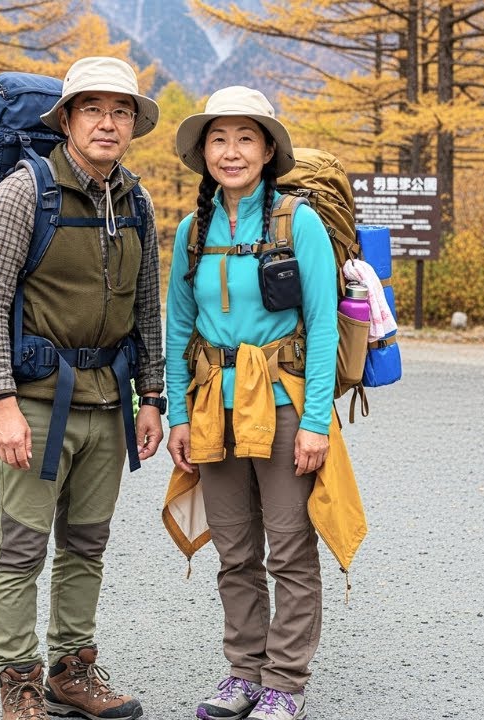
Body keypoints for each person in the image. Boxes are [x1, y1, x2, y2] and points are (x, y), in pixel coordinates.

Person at [0, 56, 165, 720]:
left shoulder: (137, 199)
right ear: (67, 118)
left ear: (134, 123)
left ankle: (71, 672)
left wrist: (153, 397)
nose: (108, 123)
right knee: (22, 546)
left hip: (109, 403)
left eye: (121, 111)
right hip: (33, 399)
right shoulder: (27, 191)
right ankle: (18, 680)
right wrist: (1, 402)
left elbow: (147, 308)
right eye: (93, 109)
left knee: (87, 546)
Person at [164, 86, 339, 720]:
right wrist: (178, 415)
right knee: (234, 548)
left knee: (289, 545)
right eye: (218, 138)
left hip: (286, 404)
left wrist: (315, 423)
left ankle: (285, 683)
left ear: (268, 149)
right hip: (213, 405)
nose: (231, 151)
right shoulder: (191, 231)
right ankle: (244, 671)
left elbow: (321, 327)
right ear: (203, 151)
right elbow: (177, 330)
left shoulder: (300, 222)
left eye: (245, 138)